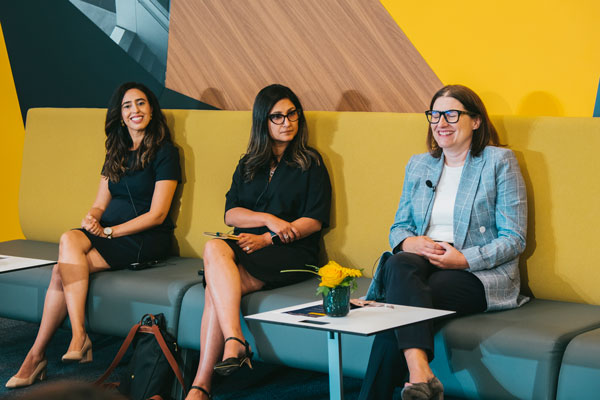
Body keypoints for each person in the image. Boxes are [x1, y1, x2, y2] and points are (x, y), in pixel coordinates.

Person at [6, 82, 181, 389]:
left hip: (145, 238)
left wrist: (110, 231)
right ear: (121, 115)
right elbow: (101, 203)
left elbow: (158, 215)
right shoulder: (115, 151)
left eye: (141, 103)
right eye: (127, 106)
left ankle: (38, 355)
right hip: (109, 233)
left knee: (61, 271)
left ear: (152, 110)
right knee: (70, 238)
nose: (134, 111)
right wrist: (93, 218)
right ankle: (77, 335)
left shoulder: (166, 152)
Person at [360, 84, 528, 400]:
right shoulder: (419, 164)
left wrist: (463, 259)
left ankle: (411, 379)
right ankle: (420, 373)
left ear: (476, 121)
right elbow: (399, 227)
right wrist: (410, 243)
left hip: (475, 271)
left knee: (398, 310)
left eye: (451, 114)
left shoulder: (498, 162)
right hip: (421, 261)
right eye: (435, 115)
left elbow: (514, 238)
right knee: (398, 261)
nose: (441, 122)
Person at [186, 84, 332, 400]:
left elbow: (314, 221)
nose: (286, 122)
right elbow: (231, 214)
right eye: (276, 117)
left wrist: (269, 238)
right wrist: (267, 219)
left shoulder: (310, 161)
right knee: (214, 247)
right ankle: (231, 346)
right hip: (253, 247)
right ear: (262, 123)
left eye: (292, 114)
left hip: (295, 254)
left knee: (215, 288)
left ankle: (204, 381)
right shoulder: (249, 162)